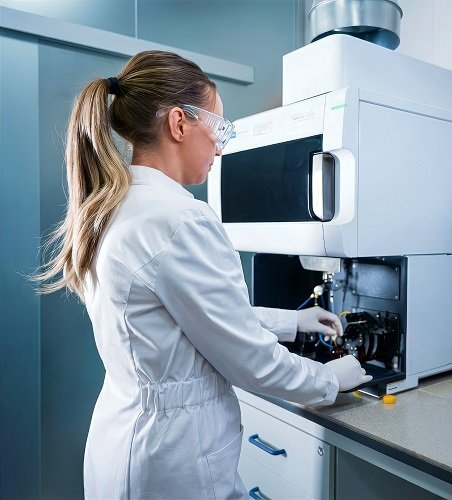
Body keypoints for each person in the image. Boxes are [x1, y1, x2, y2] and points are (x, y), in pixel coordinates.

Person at [35, 50, 371, 499]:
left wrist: (292, 321)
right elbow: (250, 361)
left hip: (124, 439)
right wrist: (330, 379)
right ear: (179, 123)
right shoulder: (180, 219)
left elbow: (190, 319)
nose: (220, 147)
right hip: (171, 459)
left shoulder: (115, 206)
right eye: (219, 129)